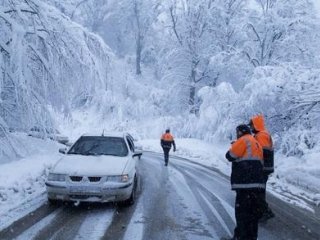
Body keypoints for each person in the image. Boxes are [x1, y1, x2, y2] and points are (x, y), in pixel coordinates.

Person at [223, 124, 265, 240]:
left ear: (240, 132)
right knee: (253, 215)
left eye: (237, 132)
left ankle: (240, 237)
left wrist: (233, 146)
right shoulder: (256, 143)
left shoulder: (243, 140)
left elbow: (230, 156)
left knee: (242, 213)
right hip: (257, 185)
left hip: (245, 184)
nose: (237, 134)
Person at [249, 114, 275, 222]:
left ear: (256, 125)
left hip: (262, 168)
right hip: (264, 168)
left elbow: (263, 152)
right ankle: (260, 212)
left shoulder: (261, 135)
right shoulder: (261, 134)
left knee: (258, 191)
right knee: (258, 190)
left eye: (252, 125)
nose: (250, 128)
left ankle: (265, 212)